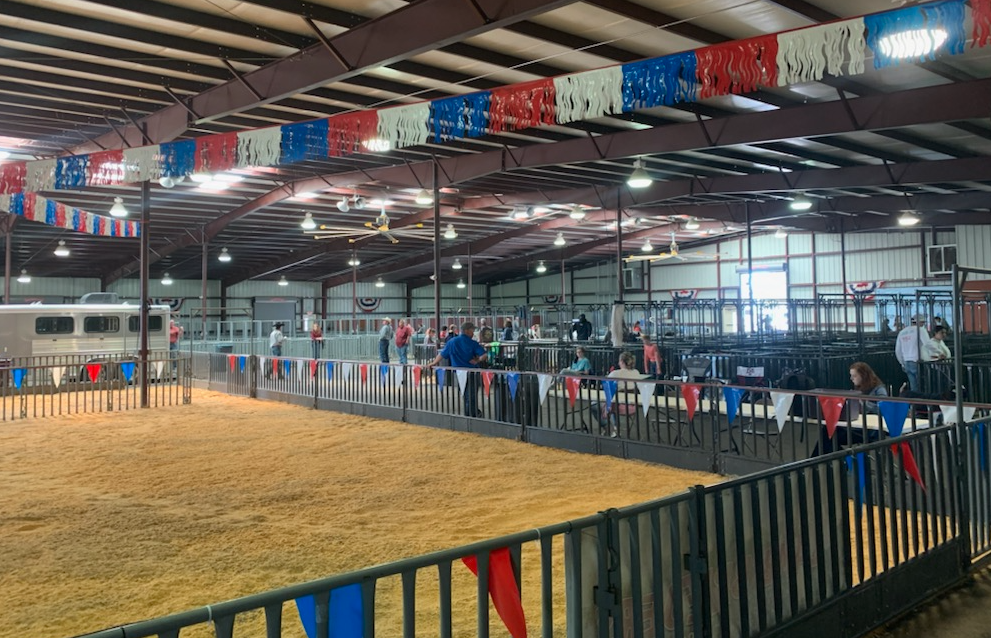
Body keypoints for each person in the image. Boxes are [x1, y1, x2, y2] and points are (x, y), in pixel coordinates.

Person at [812, 362, 888, 456]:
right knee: (828, 432)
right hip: (856, 426)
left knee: (829, 436)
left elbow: (884, 408)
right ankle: (841, 459)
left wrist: (862, 402)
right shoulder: (859, 388)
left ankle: (818, 460)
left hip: (870, 430)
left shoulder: (879, 389)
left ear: (863, 376)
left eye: (854, 376)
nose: (851, 378)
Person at [424, 321, 488, 417]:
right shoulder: (472, 343)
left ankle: (471, 412)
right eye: (472, 330)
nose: (473, 333)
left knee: (465, 393)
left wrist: (433, 363)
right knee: (472, 394)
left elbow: (442, 354)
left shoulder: (452, 342)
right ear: (467, 331)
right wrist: (478, 360)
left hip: (459, 373)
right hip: (472, 372)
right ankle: (472, 413)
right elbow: (484, 355)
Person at [591, 351, 645, 437]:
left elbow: (606, 387)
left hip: (617, 405)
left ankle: (607, 426)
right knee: (614, 402)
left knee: (594, 405)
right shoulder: (636, 372)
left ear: (622, 362)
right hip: (632, 405)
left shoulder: (615, 373)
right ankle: (616, 427)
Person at [895, 314, 931, 392]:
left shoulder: (902, 332)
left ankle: (915, 399)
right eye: (923, 322)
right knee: (923, 385)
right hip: (918, 361)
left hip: (906, 361)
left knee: (913, 386)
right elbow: (928, 344)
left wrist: (902, 362)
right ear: (919, 322)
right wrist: (935, 354)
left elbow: (898, 350)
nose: (923, 324)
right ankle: (923, 399)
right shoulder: (921, 330)